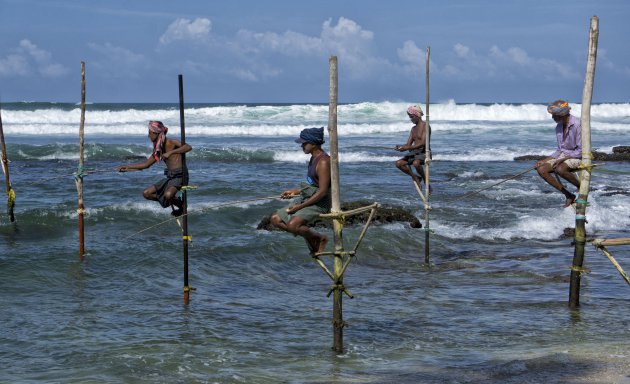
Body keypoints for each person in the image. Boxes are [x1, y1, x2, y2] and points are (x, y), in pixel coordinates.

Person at [270, 127, 331, 255]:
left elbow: (323, 191)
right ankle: (311, 237)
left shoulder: (324, 161)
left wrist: (298, 207)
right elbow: (313, 185)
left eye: (304, 143)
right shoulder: (313, 157)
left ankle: (320, 238)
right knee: (275, 219)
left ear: (313, 144)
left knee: (293, 225)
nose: (302, 146)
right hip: (308, 197)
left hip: (320, 202)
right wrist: (295, 192)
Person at [118, 120, 192, 216]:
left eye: (149, 133)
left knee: (168, 195)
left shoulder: (171, 142)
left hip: (180, 176)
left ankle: (179, 204)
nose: (148, 136)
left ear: (155, 132)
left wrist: (171, 152)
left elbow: (188, 147)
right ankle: (177, 202)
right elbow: (146, 165)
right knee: (146, 193)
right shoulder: (158, 149)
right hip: (170, 178)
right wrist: (127, 168)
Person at [535, 100, 582, 208]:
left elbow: (580, 151)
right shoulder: (558, 127)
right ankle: (568, 195)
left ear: (562, 114)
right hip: (564, 156)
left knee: (559, 168)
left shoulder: (578, 124)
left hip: (578, 156)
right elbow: (559, 150)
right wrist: (544, 161)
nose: (553, 118)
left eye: (555, 115)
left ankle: (582, 187)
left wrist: (562, 160)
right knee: (541, 169)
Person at [395, 105, 432, 193]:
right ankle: (415, 177)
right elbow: (408, 144)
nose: (410, 119)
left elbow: (423, 143)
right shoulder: (413, 129)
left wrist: (407, 147)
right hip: (415, 153)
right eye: (409, 117)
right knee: (398, 163)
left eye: (411, 116)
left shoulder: (425, 126)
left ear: (417, 116)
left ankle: (426, 182)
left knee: (416, 163)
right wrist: (401, 147)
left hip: (424, 153)